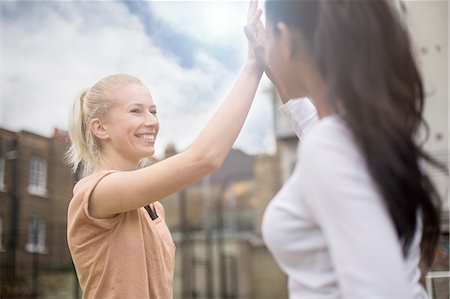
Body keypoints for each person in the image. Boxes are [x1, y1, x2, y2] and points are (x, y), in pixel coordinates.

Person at [244, 0, 444, 298]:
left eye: (270, 36)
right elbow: (319, 131)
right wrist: (272, 68)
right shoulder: (372, 130)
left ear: (286, 39)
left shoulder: (331, 146)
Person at [66, 3, 263, 298]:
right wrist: (253, 67)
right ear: (100, 128)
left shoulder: (153, 206)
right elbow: (204, 158)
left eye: (153, 111)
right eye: (136, 111)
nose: (151, 121)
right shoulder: (95, 193)